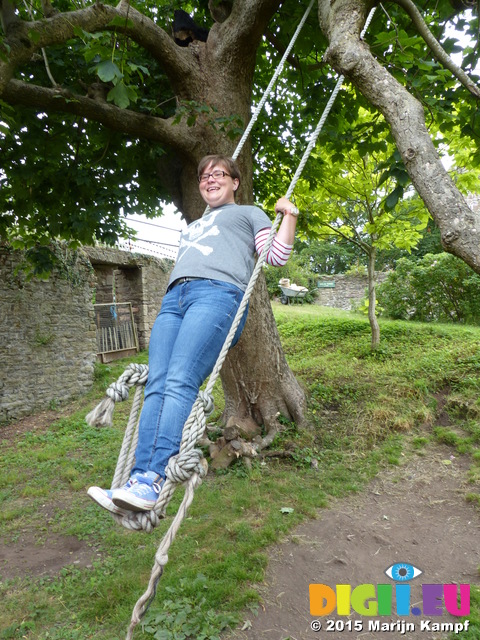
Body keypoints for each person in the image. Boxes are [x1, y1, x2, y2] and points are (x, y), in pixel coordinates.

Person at [88, 154, 298, 515]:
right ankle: (136, 482)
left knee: (181, 381)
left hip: (217, 295)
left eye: (220, 174)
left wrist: (289, 215)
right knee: (157, 382)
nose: (210, 179)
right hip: (174, 298)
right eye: (204, 175)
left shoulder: (250, 213)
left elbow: (275, 255)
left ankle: (155, 479)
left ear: (235, 182)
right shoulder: (193, 225)